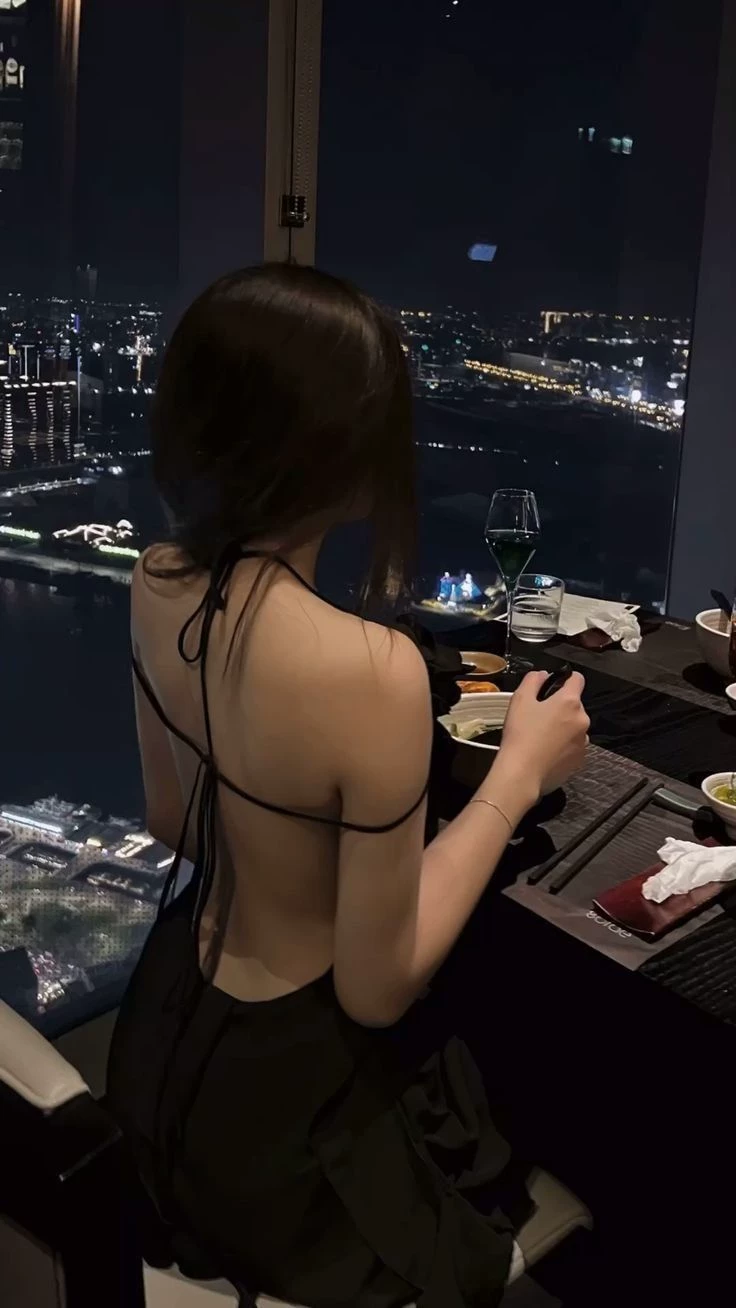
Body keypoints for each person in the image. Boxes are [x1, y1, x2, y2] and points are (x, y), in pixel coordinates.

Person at [106, 264, 589, 1308]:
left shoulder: (155, 577)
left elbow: (168, 817)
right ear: (342, 448)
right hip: (296, 1141)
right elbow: (376, 989)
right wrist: (518, 773)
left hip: (167, 1053)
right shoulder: (371, 671)